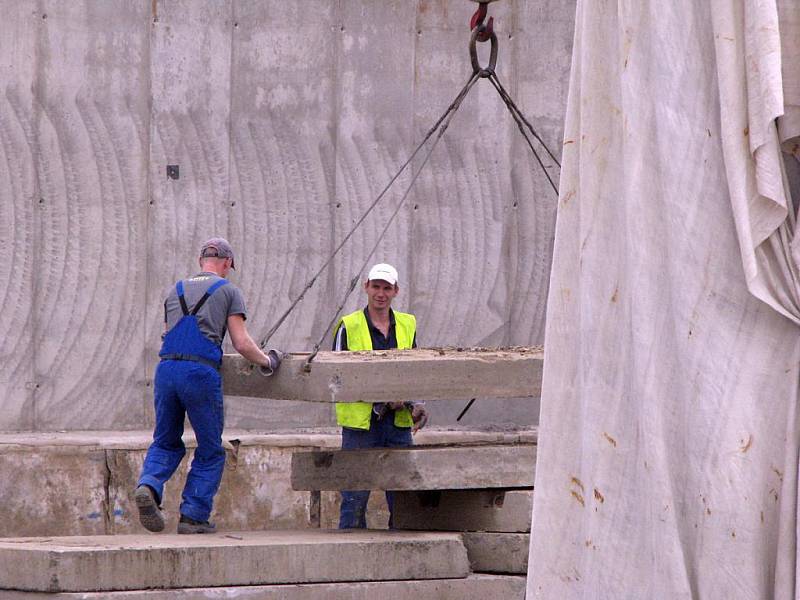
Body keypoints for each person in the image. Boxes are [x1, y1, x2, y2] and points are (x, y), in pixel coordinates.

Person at [134, 237, 282, 534]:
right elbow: (241, 343)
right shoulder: (229, 290)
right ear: (226, 262)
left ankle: (149, 485)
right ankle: (193, 516)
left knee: (165, 440)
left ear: (201, 261)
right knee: (211, 448)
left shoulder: (174, 291)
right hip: (199, 373)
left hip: (166, 371)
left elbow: (168, 336)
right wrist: (268, 361)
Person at [332, 262, 428, 529]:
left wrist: (415, 403)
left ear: (396, 291)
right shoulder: (348, 326)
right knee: (354, 494)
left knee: (403, 495)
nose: (381, 293)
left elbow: (415, 369)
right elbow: (337, 377)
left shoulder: (407, 324)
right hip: (361, 425)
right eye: (376, 287)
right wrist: (380, 398)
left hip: (397, 423)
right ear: (366, 287)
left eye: (387, 288)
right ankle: (350, 557)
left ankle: (403, 554)